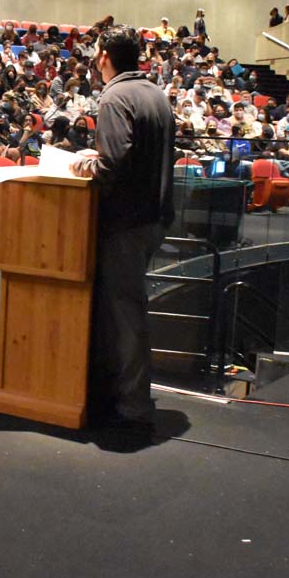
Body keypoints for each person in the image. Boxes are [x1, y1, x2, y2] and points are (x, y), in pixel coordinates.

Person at [69, 25, 175, 431]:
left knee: (125, 312)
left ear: (104, 57)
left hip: (126, 222)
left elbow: (112, 163)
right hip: (154, 217)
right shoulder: (155, 95)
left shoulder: (114, 97)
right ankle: (116, 391)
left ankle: (132, 402)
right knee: (127, 305)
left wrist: (86, 162)